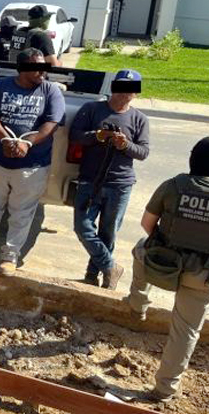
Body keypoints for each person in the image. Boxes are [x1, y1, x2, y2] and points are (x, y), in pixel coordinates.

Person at [125, 137, 209, 403]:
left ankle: (138, 304)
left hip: (162, 266)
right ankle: (165, 390)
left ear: (192, 159)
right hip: (203, 276)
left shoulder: (173, 186)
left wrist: (167, 241)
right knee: (186, 331)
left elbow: (147, 225)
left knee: (140, 247)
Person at [0, 48, 66, 275]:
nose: (43, 72)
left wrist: (28, 143)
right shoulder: (0, 85)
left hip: (32, 166)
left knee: (22, 213)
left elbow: (52, 124)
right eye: (37, 67)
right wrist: (5, 139)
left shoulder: (50, 90)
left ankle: (9, 257)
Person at [69, 69, 150, 289]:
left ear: (136, 93)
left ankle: (94, 276)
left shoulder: (139, 119)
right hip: (90, 180)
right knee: (82, 227)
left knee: (108, 232)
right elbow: (75, 135)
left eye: (130, 89)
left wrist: (125, 145)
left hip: (120, 184)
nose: (125, 93)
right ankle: (111, 267)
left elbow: (143, 152)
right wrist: (98, 136)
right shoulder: (92, 109)